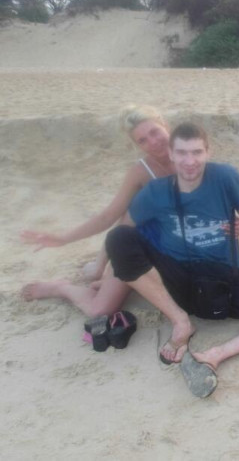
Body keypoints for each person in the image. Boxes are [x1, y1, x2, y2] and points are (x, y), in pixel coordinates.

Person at [105, 122, 239, 397]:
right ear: (171, 154)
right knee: (118, 237)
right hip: (173, 278)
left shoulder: (225, 177)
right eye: (182, 153)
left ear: (208, 152)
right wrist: (108, 274)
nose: (189, 161)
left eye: (196, 152)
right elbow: (125, 233)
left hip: (219, 284)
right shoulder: (155, 192)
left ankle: (216, 355)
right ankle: (180, 321)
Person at [20, 105, 177, 317]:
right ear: (137, 145)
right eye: (142, 140)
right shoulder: (140, 172)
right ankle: (62, 287)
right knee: (100, 310)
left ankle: (103, 275)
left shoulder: (192, 155)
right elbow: (109, 216)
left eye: (154, 132)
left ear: (165, 125)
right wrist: (63, 239)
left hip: (176, 245)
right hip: (138, 247)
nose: (153, 142)